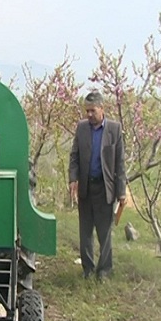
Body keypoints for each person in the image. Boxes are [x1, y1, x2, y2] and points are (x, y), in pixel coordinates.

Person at [69, 91, 126, 281]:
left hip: (105, 188)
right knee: (85, 232)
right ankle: (88, 269)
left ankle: (104, 270)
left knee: (105, 232)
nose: (89, 115)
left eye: (93, 110)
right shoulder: (82, 128)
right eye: (87, 111)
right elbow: (74, 156)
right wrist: (73, 179)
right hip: (86, 186)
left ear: (102, 109)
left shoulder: (114, 130)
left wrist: (121, 191)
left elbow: (120, 163)